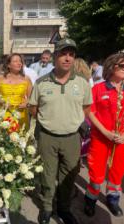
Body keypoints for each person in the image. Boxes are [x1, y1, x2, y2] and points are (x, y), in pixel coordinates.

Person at [29, 38, 92, 224]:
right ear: (55, 56)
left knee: (69, 175)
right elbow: (34, 108)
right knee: (48, 174)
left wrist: (74, 122)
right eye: (63, 54)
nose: (67, 58)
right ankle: (47, 207)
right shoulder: (41, 83)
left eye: (71, 55)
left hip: (72, 138)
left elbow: (86, 107)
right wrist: (50, 120)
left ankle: (64, 209)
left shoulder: (82, 83)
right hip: (47, 137)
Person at [84, 53, 124, 218]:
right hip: (101, 138)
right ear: (111, 67)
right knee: (96, 172)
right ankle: (91, 198)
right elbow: (90, 112)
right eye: (121, 66)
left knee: (118, 171)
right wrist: (105, 132)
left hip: (123, 139)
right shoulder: (98, 88)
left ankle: (113, 199)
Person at [0, 53, 32, 130]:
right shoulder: (0, 78)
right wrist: (2, 101)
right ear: (8, 65)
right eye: (15, 61)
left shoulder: (26, 79)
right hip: (4, 114)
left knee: (21, 137)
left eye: (20, 61)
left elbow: (32, 97)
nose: (19, 63)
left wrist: (26, 103)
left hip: (21, 114)